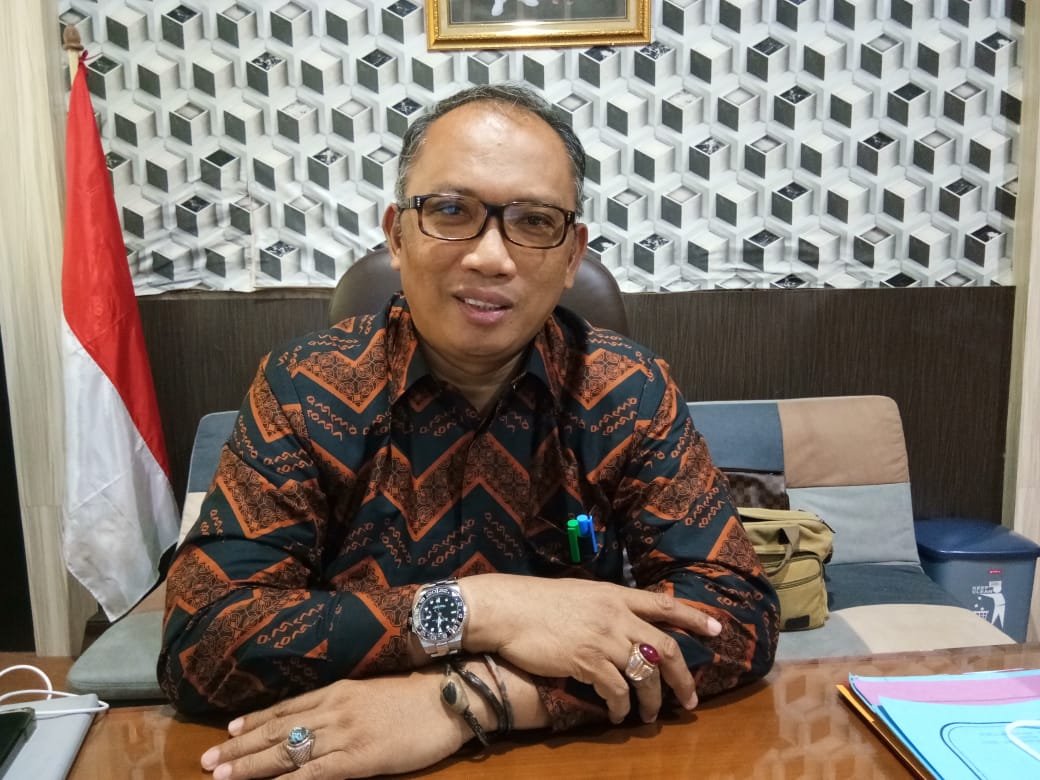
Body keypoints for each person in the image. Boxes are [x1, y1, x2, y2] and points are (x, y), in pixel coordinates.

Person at [159, 83, 779, 780]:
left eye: (534, 221)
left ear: (571, 256)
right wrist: (478, 609)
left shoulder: (627, 391)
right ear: (397, 234)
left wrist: (472, 700)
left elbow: (735, 616)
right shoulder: (305, 388)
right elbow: (203, 640)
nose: (491, 257)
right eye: (451, 211)